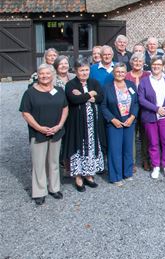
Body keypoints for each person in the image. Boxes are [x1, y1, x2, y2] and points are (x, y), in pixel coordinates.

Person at [20, 64, 69, 205]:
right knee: (39, 163)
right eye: (42, 73)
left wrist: (59, 125)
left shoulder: (59, 90)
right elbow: (26, 113)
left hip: (56, 131)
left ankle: (54, 188)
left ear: (53, 75)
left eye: (48, 73)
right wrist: (40, 128)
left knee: (53, 162)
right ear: (37, 75)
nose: (45, 76)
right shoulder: (30, 92)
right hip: (38, 133)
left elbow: (65, 108)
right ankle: (39, 192)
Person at [63, 59, 105, 191]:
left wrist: (85, 95)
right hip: (77, 124)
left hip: (93, 125)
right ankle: (78, 177)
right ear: (76, 71)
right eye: (81, 70)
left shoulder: (94, 82)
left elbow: (100, 97)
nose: (84, 72)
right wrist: (90, 94)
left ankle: (88, 175)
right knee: (78, 148)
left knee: (91, 148)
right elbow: (74, 99)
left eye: (86, 70)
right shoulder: (71, 84)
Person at [138, 56, 165, 179]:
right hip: (150, 116)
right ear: (150, 65)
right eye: (154, 64)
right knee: (153, 143)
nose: (156, 66)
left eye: (159, 64)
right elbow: (141, 99)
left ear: (163, 66)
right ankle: (155, 166)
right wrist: (156, 109)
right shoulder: (144, 81)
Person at [101, 63, 138, 186]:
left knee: (128, 149)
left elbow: (136, 103)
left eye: (122, 72)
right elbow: (103, 106)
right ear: (113, 73)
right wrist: (112, 119)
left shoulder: (131, 85)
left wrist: (132, 117)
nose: (120, 74)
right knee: (115, 150)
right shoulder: (107, 87)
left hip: (129, 121)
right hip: (114, 123)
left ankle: (127, 173)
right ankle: (116, 176)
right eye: (117, 72)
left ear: (126, 73)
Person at [125, 52, 151, 171]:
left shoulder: (148, 75)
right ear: (131, 62)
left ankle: (146, 160)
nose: (137, 63)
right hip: (129, 110)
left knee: (145, 136)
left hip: (145, 110)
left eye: (140, 61)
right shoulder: (126, 76)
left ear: (143, 63)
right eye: (135, 61)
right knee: (131, 136)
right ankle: (132, 162)